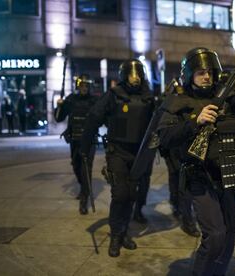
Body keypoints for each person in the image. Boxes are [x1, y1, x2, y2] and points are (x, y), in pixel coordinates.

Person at [157, 47, 235, 275]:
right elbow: (164, 137)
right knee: (215, 235)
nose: (206, 76)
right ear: (189, 75)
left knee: (229, 236)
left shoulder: (227, 98)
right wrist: (195, 121)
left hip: (228, 173)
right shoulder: (178, 101)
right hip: (198, 176)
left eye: (209, 72)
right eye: (200, 72)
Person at [81, 59, 155, 257]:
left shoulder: (149, 98)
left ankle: (123, 233)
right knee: (120, 194)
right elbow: (94, 116)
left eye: (138, 74)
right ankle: (115, 235)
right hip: (118, 152)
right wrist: (84, 145)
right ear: (124, 76)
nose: (135, 78)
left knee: (131, 195)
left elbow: (158, 123)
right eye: (131, 75)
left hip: (138, 154)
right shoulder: (113, 95)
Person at [54, 74, 99, 215]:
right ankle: (83, 187)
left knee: (86, 168)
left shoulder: (94, 101)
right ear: (78, 87)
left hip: (89, 140)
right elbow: (58, 118)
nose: (84, 88)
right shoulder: (71, 100)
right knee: (76, 166)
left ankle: (83, 200)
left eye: (86, 85)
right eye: (81, 85)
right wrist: (59, 106)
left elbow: (103, 118)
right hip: (75, 139)